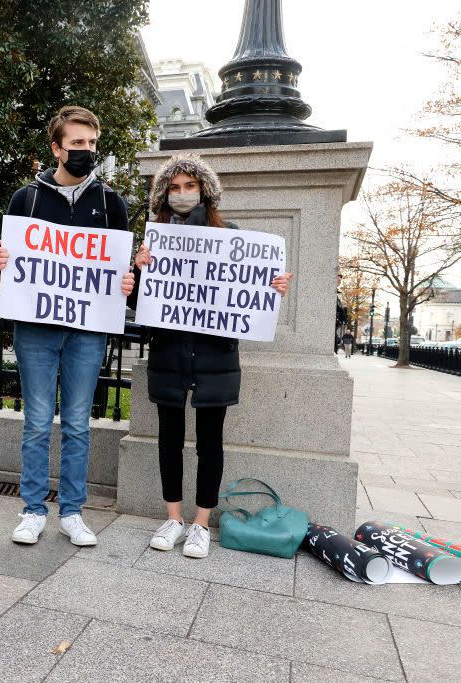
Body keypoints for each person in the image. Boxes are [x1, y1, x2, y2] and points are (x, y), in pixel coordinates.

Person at [0, 106, 135, 547]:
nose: (86, 151)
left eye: (91, 144)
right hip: (36, 327)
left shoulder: (111, 203)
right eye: (77, 144)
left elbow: (118, 269)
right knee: (37, 421)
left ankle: (72, 511)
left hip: (87, 330)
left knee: (77, 422)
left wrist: (128, 280)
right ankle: (33, 509)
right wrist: (3, 263)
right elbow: (13, 265)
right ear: (56, 148)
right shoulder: (26, 199)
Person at [138, 153, 292, 558]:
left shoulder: (233, 236)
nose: (183, 194)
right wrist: (138, 272)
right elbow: (141, 304)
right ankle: (173, 518)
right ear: (164, 194)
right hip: (170, 351)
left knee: (211, 441)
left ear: (205, 190)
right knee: (168, 438)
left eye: (190, 186)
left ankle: (201, 524)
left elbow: (248, 291)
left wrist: (272, 285)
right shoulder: (154, 239)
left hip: (214, 356)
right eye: (175, 187)